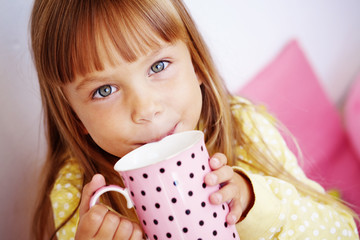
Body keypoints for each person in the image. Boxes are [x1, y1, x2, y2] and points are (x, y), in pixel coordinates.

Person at [30, 0, 359, 239]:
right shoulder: (81, 196)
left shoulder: (245, 129)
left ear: (197, 65)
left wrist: (256, 207)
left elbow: (344, 232)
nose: (146, 108)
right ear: (75, 119)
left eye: (158, 66)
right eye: (104, 90)